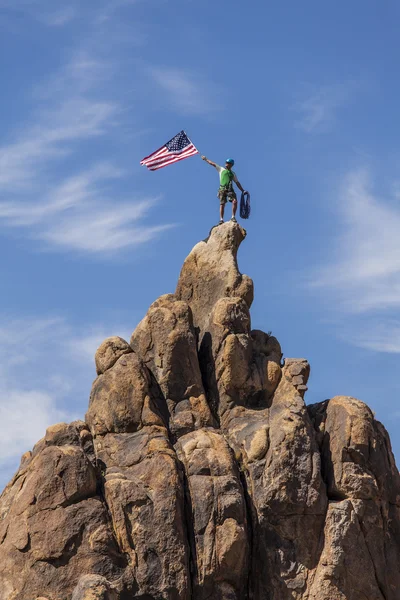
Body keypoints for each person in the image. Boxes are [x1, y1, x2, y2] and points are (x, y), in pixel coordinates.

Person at [201, 156, 247, 224]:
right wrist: (205, 159)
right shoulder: (221, 169)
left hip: (230, 189)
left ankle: (233, 217)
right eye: (226, 162)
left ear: (231, 165)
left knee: (235, 201)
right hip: (222, 189)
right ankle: (221, 219)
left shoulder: (232, 173)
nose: (226, 163)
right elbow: (213, 164)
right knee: (222, 204)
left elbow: (237, 182)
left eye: (228, 163)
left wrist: (242, 190)